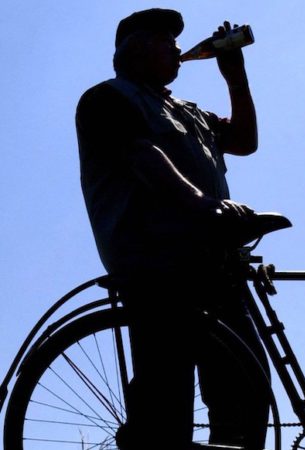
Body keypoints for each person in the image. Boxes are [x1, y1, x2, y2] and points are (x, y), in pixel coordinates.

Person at [76, 8, 270, 450]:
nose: (179, 50)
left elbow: (244, 141)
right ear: (138, 47)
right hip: (157, 264)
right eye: (167, 41)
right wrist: (204, 204)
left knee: (246, 390)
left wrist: (235, 78)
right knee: (168, 406)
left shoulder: (187, 110)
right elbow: (142, 156)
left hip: (214, 260)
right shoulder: (107, 99)